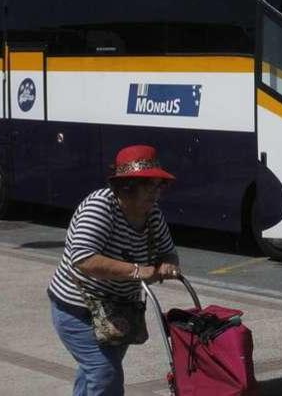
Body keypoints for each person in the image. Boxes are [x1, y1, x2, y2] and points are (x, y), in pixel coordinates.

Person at [48, 145, 181, 396]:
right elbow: (83, 258)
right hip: (78, 310)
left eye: (158, 185)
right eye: (148, 186)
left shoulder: (152, 214)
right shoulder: (100, 207)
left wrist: (168, 264)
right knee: (104, 373)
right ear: (127, 186)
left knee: (95, 375)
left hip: (119, 311)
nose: (156, 193)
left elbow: (168, 251)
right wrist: (136, 271)